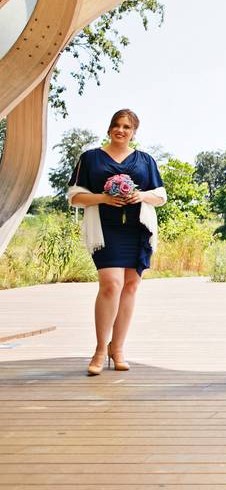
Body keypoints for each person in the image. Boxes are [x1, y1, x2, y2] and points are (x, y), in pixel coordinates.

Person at [66, 109, 167, 376]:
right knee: (111, 284)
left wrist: (141, 196)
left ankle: (118, 348)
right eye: (116, 125)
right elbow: (74, 196)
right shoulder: (90, 158)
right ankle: (100, 350)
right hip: (106, 229)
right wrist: (103, 198)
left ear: (134, 132)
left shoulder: (145, 160)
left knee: (131, 286)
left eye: (126, 127)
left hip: (137, 229)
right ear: (109, 128)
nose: (120, 130)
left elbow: (160, 196)